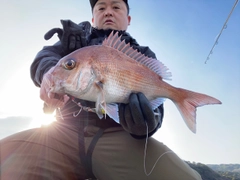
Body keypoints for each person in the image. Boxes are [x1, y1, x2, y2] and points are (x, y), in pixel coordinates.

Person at [0, 0, 202, 179]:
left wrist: (145, 125)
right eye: (101, 7)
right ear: (93, 16)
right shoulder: (74, 42)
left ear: (128, 18)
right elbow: (44, 58)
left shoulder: (143, 54)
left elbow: (156, 109)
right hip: (62, 133)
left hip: (119, 137)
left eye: (116, 6)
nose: (108, 12)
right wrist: (46, 74)